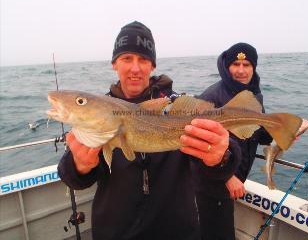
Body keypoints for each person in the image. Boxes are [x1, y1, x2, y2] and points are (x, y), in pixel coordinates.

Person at [57, 21, 241, 240]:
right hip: (115, 232)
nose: (135, 68)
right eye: (127, 58)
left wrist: (223, 157)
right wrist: (80, 166)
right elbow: (71, 175)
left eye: (143, 59)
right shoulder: (99, 110)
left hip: (177, 231)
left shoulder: (175, 105)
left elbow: (221, 161)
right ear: (114, 63)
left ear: (152, 65)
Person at [196, 43, 273, 240]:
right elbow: (193, 147)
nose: (241, 70)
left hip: (234, 183)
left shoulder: (254, 94)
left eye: (246, 64)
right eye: (235, 64)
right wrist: (227, 177)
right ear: (227, 66)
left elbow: (254, 132)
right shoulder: (211, 98)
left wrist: (277, 132)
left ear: (254, 67)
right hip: (211, 187)